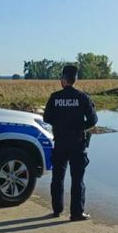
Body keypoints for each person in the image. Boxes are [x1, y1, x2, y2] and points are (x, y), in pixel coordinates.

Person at [43, 65, 98, 221]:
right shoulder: (82, 97)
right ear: (75, 80)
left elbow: (46, 118)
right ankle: (76, 213)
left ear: (64, 80)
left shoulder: (55, 97)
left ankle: (56, 209)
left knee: (57, 178)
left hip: (60, 142)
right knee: (77, 179)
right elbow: (93, 120)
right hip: (78, 143)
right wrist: (80, 128)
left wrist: (60, 125)